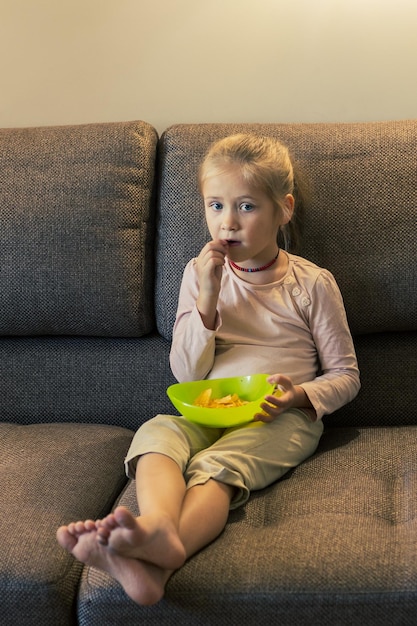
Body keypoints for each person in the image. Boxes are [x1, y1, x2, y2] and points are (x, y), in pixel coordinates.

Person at [56, 134, 360, 606]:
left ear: (284, 209)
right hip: (210, 407)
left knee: (214, 468)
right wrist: (207, 299)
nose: (228, 223)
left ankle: (166, 556)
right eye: (215, 206)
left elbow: (346, 375)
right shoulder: (199, 275)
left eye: (246, 206)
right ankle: (156, 531)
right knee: (157, 435)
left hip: (278, 418)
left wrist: (299, 397)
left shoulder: (312, 284)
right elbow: (186, 374)